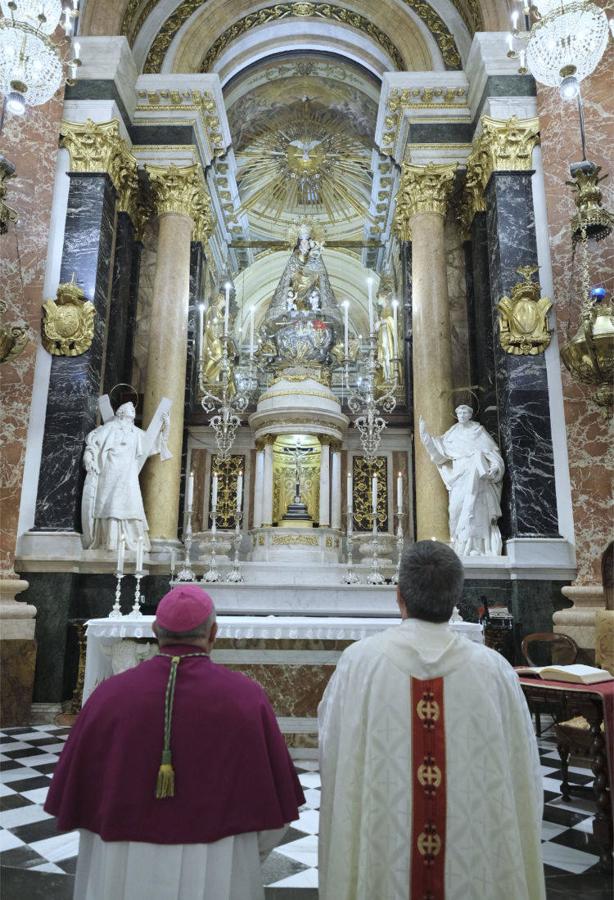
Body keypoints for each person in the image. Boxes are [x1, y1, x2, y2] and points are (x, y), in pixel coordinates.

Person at [45, 585, 305, 900]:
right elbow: (276, 810)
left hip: (123, 861)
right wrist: (245, 853)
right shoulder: (245, 698)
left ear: (155, 630)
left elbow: (78, 793)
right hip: (218, 863)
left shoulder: (109, 696)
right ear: (213, 633)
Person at [318, 541, 545, 900]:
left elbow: (334, 760)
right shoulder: (495, 671)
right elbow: (526, 778)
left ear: (399, 596)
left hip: (383, 857)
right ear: (456, 598)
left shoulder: (359, 664)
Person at [81, 400, 170, 552]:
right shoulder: (109, 428)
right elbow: (93, 444)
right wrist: (88, 458)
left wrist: (166, 426)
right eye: (129, 409)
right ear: (120, 412)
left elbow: (155, 445)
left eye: (133, 411)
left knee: (131, 503)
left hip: (128, 475)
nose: (132, 411)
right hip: (110, 472)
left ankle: (132, 541)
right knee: (109, 503)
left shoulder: (136, 432)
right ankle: (109, 541)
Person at [419, 404, 505, 556]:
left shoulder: (478, 431)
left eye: (465, 412)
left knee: (476, 510)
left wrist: (495, 466)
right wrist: (426, 437)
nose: (462, 415)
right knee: (455, 510)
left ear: (470, 414)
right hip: (459, 477)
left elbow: (493, 454)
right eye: (459, 412)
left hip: (477, 478)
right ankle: (459, 544)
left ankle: (476, 547)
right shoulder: (452, 433)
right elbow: (439, 454)